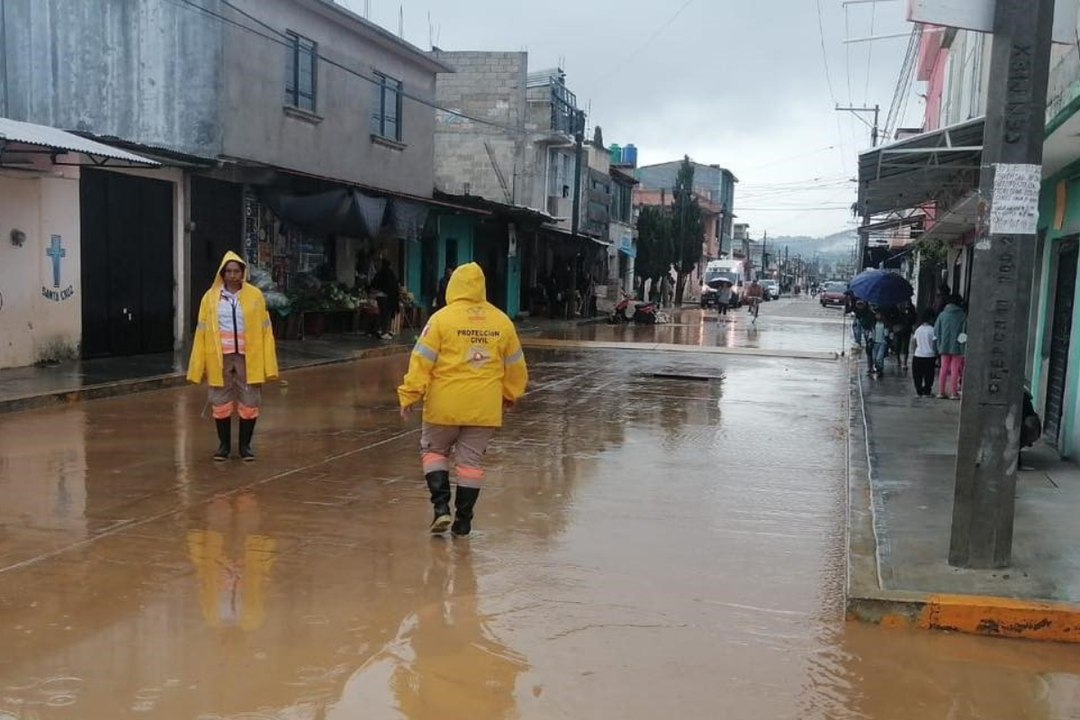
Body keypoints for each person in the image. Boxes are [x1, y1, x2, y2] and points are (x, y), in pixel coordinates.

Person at [398, 263, 529, 536]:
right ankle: (464, 520)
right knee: (470, 464)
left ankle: (441, 509)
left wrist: (410, 394)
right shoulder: (502, 322)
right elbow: (516, 366)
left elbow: (421, 360)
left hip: (443, 406)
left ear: (452, 287)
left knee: (434, 452)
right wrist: (510, 394)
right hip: (484, 409)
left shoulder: (441, 319)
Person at [187, 251, 279, 461]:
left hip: (249, 357)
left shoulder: (255, 296)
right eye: (228, 271)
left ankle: (245, 446)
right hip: (220, 357)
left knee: (250, 400)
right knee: (220, 401)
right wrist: (198, 365)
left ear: (243, 273)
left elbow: (266, 331)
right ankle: (224, 446)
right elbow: (202, 332)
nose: (232, 275)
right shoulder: (210, 298)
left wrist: (269, 363)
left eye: (236, 271)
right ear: (222, 273)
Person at [935, 294, 967, 399]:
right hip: (957, 347)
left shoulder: (942, 315)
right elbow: (964, 333)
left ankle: (941, 392)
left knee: (943, 368)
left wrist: (939, 344)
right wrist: (961, 345)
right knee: (955, 369)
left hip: (944, 346)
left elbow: (936, 331)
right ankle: (954, 393)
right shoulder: (962, 315)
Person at [371, 259, 401, 340]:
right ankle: (384, 332)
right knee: (386, 314)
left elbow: (373, 283)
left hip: (379, 296)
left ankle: (379, 330)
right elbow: (393, 286)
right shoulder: (390, 274)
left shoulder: (379, 274)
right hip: (386, 297)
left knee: (381, 314)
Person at [911, 311, 937, 397]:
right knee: (929, 375)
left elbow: (914, 342)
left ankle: (919, 391)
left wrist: (914, 351)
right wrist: (936, 353)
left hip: (918, 355)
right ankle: (927, 391)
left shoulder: (918, 329)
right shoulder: (932, 330)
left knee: (917, 375)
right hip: (930, 356)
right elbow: (934, 343)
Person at [891, 302, 917, 372]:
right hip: (898, 328)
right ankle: (898, 359)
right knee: (897, 346)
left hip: (906, 329)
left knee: (905, 346)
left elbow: (914, 317)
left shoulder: (910, 306)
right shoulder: (896, 305)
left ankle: (904, 362)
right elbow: (892, 316)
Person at [870, 311, 889, 378]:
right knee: (874, 358)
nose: (877, 316)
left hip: (882, 343)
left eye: (879, 314)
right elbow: (872, 332)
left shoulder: (885, 324)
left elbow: (886, 333)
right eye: (876, 315)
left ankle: (880, 369)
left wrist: (887, 339)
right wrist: (871, 339)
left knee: (879, 357)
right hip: (875, 342)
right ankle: (879, 369)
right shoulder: (874, 323)